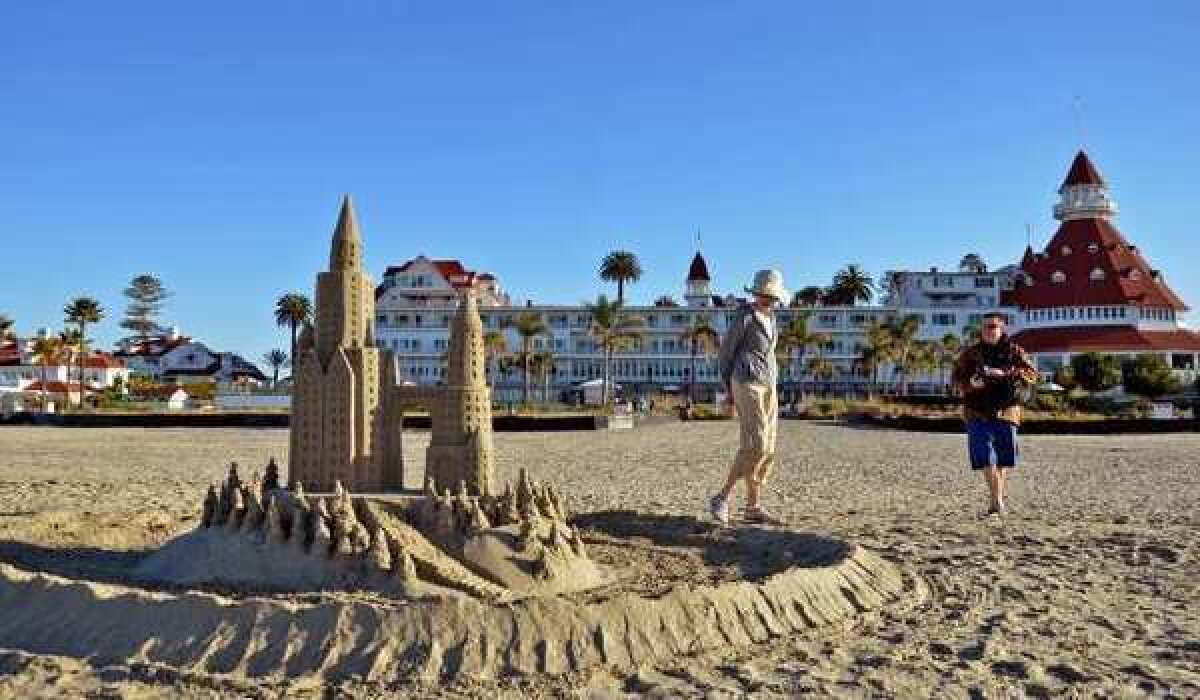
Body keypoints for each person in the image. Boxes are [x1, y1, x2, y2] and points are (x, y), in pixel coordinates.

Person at [709, 269, 788, 525]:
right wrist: (727, 389)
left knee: (769, 448)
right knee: (756, 444)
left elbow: (769, 354)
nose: (766, 298)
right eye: (762, 294)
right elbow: (725, 354)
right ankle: (722, 497)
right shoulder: (745, 316)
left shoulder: (772, 318)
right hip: (745, 382)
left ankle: (753, 507)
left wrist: (774, 381)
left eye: (770, 295)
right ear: (755, 293)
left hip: (769, 384)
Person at [951, 312, 1039, 515]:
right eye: (984, 327)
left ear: (1002, 329)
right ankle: (998, 500)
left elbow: (1032, 374)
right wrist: (971, 383)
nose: (987, 331)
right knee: (983, 456)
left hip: (1007, 411)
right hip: (976, 411)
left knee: (1004, 459)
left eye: (992, 326)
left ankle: (994, 501)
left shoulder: (1014, 351)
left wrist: (1009, 374)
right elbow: (956, 379)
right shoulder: (971, 353)